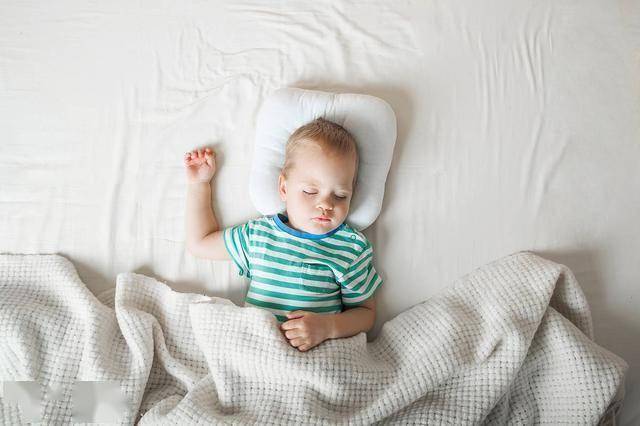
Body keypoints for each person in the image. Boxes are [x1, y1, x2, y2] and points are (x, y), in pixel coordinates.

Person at [184, 117, 382, 352]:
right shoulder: (259, 236)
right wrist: (200, 185)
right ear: (284, 188)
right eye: (310, 191)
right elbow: (200, 243)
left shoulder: (349, 248)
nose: (326, 204)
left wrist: (327, 327)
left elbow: (365, 314)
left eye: (340, 195)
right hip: (256, 350)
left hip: (318, 357)